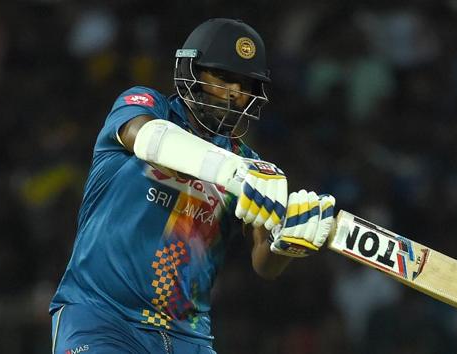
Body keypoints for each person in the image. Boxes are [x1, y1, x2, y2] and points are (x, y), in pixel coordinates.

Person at [49, 18, 336, 354]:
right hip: (101, 316)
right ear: (192, 71)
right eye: (224, 78)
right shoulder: (148, 107)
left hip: (188, 336)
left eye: (246, 85)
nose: (235, 93)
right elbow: (144, 137)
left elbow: (263, 262)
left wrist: (284, 245)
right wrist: (232, 171)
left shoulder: (251, 165)